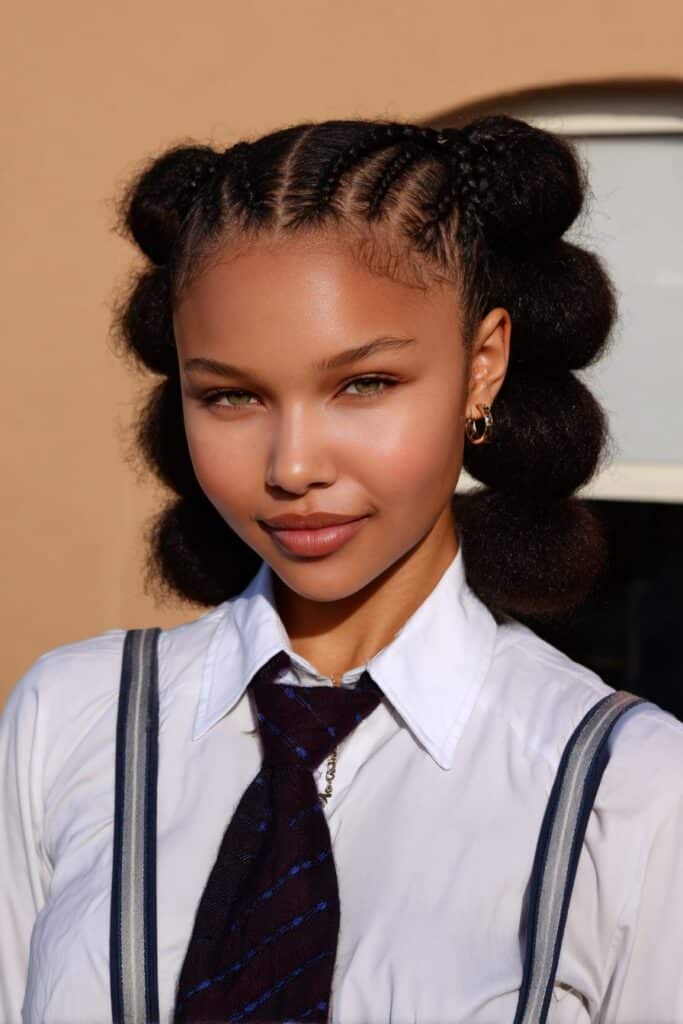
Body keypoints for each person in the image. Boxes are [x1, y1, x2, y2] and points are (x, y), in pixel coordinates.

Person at [2, 114, 682, 1024]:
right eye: (231, 396)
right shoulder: (69, 721)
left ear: (483, 366)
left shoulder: (625, 787)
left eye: (362, 385)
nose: (291, 466)